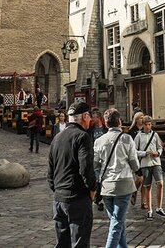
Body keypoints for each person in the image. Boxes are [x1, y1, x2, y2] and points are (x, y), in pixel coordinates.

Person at [48, 101, 97, 248]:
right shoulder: (82, 137)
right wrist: (92, 188)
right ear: (85, 116)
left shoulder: (57, 138)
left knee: (62, 244)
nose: (90, 120)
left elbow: (50, 171)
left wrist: (57, 190)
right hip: (77, 198)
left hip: (59, 199)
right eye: (89, 117)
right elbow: (86, 168)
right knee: (79, 244)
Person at [93, 108, 140, 248]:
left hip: (106, 186)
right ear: (119, 122)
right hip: (123, 184)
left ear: (106, 124)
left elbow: (95, 165)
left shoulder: (99, 141)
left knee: (117, 221)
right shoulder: (127, 139)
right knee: (117, 222)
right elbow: (135, 164)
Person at [134, 115, 165, 220]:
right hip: (145, 164)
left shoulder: (155, 135)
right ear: (142, 125)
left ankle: (159, 207)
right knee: (147, 186)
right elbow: (135, 151)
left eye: (149, 124)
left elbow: (160, 147)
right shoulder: (139, 136)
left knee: (160, 183)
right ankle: (150, 210)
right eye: (146, 125)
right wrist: (144, 153)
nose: (148, 127)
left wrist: (158, 153)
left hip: (156, 162)